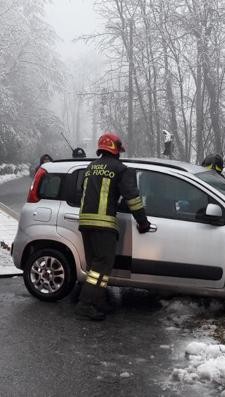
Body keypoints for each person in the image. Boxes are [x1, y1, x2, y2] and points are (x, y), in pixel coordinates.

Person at [76, 132, 151, 321]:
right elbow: (132, 198)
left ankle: (98, 301)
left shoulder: (91, 167)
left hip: (85, 223)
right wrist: (143, 222)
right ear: (116, 150)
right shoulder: (120, 169)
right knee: (101, 268)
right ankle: (85, 304)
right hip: (104, 225)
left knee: (96, 266)